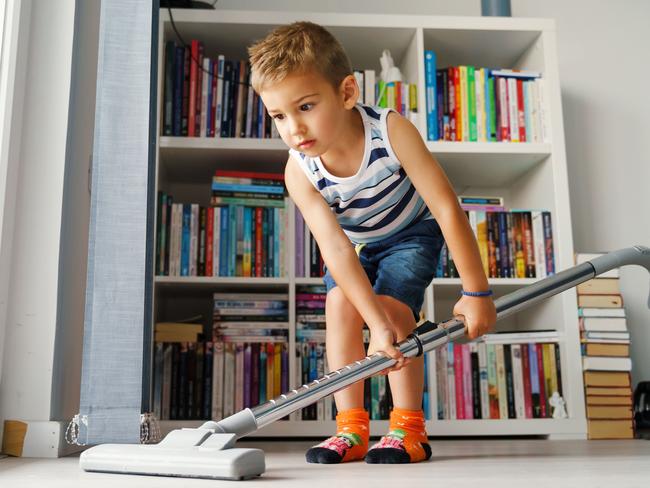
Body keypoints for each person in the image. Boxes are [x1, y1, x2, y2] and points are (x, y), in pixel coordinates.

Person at [248, 21, 496, 464]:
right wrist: (370, 325)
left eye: (305, 106)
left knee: (395, 315)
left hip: (411, 234)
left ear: (346, 93)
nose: (294, 128)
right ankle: (352, 430)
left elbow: (445, 208)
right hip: (357, 246)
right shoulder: (299, 170)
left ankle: (408, 429)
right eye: (279, 116)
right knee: (339, 307)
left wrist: (475, 293)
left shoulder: (391, 131)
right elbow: (336, 249)